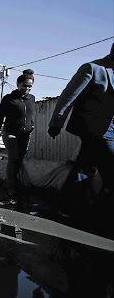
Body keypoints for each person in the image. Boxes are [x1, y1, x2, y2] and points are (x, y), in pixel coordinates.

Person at [48, 43, 114, 197]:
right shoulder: (93, 68)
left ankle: (68, 204)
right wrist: (56, 122)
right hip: (93, 128)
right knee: (109, 165)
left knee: (86, 167)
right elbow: (69, 96)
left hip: (111, 130)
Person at [0, 70, 36, 197]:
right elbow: (0, 118)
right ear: (17, 84)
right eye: (24, 86)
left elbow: (30, 114)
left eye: (29, 87)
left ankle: (9, 182)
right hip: (10, 133)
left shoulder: (32, 99)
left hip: (25, 134)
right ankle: (11, 187)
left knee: (19, 159)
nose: (27, 89)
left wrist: (32, 124)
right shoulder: (8, 99)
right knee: (13, 158)